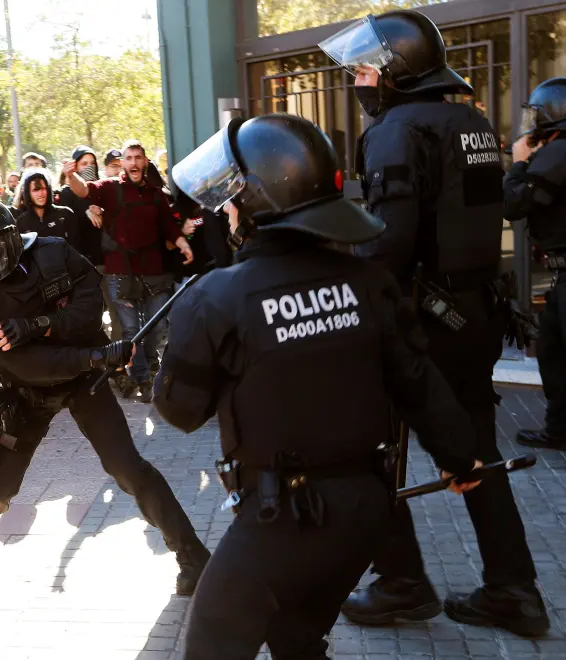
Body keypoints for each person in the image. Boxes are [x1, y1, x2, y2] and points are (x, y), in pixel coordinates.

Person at [160, 112, 483, 659]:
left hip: (281, 520)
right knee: (298, 644)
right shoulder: (372, 282)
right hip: (365, 515)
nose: (229, 208)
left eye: (235, 196)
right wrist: (459, 456)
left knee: (209, 648)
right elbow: (417, 382)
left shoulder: (218, 296)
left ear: (262, 201)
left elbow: (179, 411)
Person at [319, 9, 548, 636]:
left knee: (368, 450)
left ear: (397, 69)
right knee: (476, 454)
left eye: (366, 67)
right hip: (476, 314)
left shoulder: (398, 130)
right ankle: (513, 589)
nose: (359, 79)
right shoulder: (470, 122)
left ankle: (400, 583)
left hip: (419, 321)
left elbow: (386, 245)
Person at [0, 197, 211, 595]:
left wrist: (36, 325)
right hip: (26, 393)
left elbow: (87, 314)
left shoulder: (53, 253)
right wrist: (95, 355)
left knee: (128, 468)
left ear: (9, 240)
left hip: (85, 383)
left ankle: (193, 557)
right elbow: (27, 367)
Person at [65, 140, 194, 402]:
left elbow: (169, 226)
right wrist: (71, 175)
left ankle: (152, 367)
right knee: (131, 332)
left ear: (145, 162)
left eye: (138, 158)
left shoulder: (156, 194)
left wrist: (182, 244)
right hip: (120, 273)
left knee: (156, 327)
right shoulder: (111, 189)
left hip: (154, 273)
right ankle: (144, 380)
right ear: (123, 163)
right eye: (129, 158)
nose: (134, 163)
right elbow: (83, 191)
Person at [505, 77, 566, 451]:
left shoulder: (556, 154)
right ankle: (559, 430)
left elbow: (514, 203)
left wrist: (518, 164)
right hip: (562, 275)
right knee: (552, 354)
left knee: (556, 356)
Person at [13, 168, 82, 254]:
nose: (41, 194)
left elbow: (77, 250)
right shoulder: (21, 222)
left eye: (43, 188)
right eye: (36, 190)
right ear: (28, 193)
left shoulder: (65, 214)